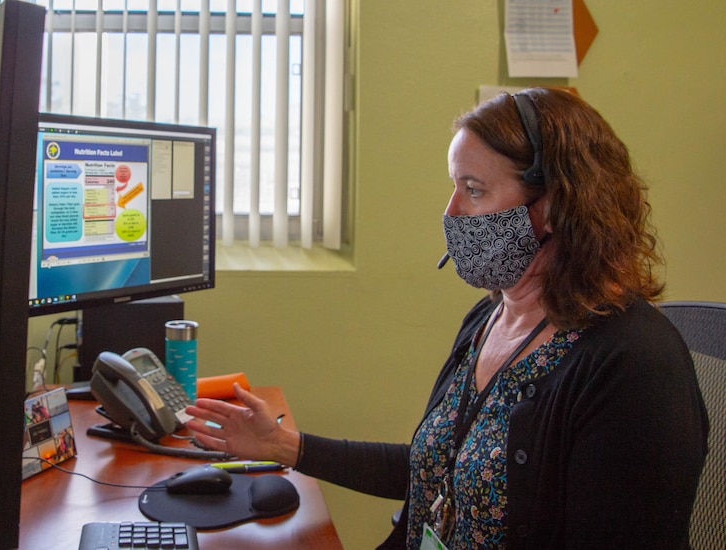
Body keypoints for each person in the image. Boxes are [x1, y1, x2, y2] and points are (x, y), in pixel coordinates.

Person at [185, 87, 709, 549]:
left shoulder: (635, 366)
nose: (452, 212)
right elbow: (439, 464)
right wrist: (282, 446)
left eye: (474, 189)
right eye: (454, 186)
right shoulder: (489, 319)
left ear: (553, 206)